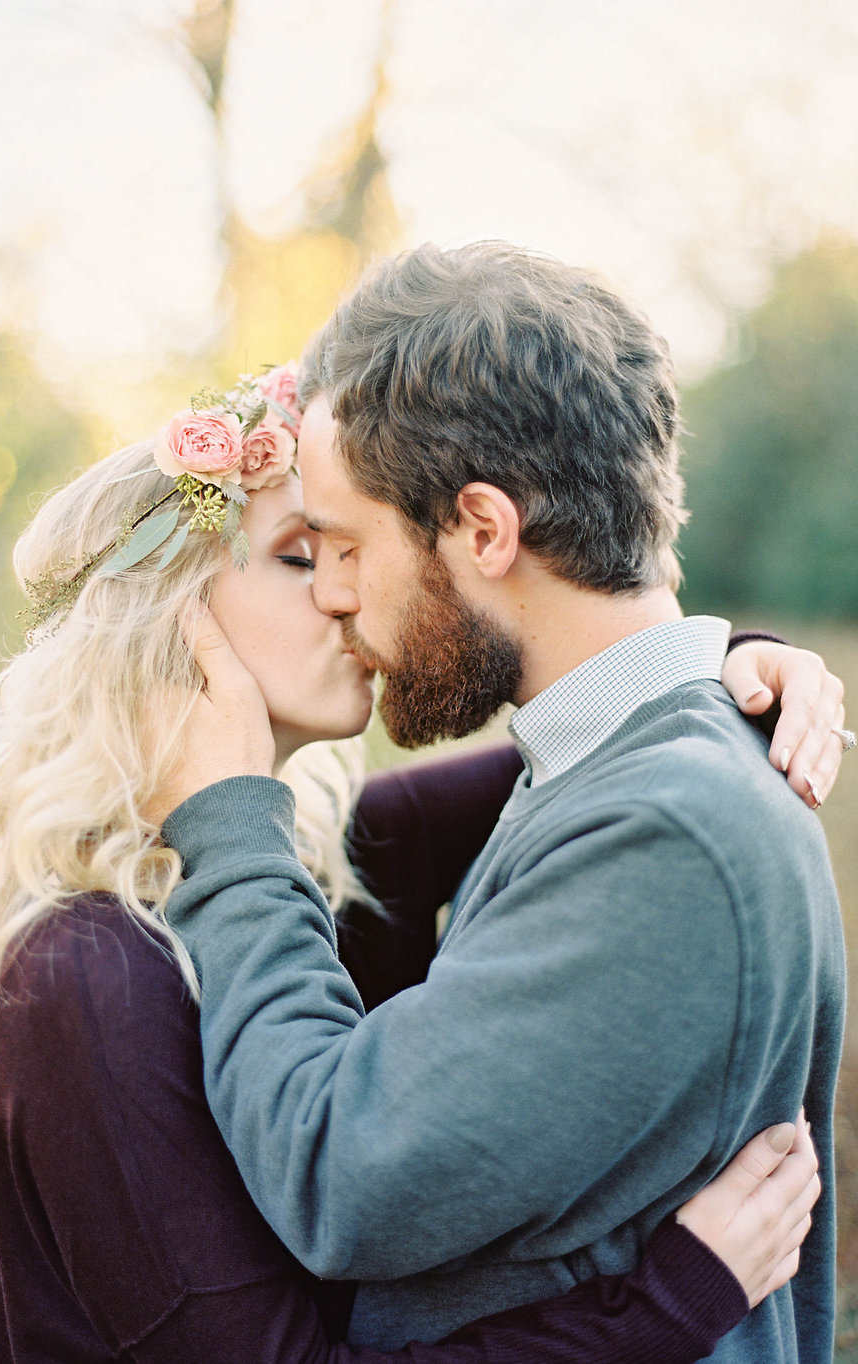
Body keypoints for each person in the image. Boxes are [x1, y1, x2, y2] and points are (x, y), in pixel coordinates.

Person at [0, 371, 831, 1362]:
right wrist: (671, 1300)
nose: (345, 592)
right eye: (299, 555)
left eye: (346, 551)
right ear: (165, 615)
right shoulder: (88, 971)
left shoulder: (303, 861)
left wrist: (731, 670)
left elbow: (608, 734)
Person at [157, 247, 849, 1363]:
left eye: (347, 544)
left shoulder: (667, 833)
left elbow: (338, 1176)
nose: (333, 591)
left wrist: (231, 823)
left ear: (484, 529)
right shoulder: (620, 762)